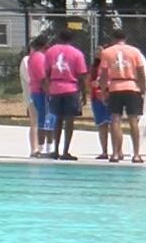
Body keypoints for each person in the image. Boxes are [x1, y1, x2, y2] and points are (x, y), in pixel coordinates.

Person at [97, 27, 146, 163]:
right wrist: (143, 88)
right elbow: (141, 71)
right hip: (132, 86)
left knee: (115, 120)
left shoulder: (107, 52)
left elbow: (103, 74)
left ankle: (115, 153)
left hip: (115, 86)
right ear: (125, 39)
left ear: (113, 39)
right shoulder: (134, 51)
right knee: (133, 121)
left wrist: (103, 91)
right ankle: (136, 154)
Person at [42, 26, 88, 161]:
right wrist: (84, 94)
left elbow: (46, 72)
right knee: (69, 121)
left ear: (59, 37)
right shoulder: (77, 53)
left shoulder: (50, 51)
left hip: (55, 87)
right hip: (70, 88)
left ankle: (55, 150)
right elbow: (81, 75)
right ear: (72, 39)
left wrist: (48, 88)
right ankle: (65, 151)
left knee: (57, 119)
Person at [24, 33, 52, 157]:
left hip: (34, 91)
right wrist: (49, 92)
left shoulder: (32, 57)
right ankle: (40, 148)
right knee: (42, 120)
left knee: (37, 120)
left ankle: (37, 147)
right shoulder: (40, 57)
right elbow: (42, 78)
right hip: (40, 92)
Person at [87, 55, 112, 160]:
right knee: (102, 125)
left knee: (114, 124)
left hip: (110, 96)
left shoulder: (113, 65)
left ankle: (118, 150)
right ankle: (104, 151)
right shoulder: (95, 67)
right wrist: (93, 84)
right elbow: (89, 81)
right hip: (97, 98)